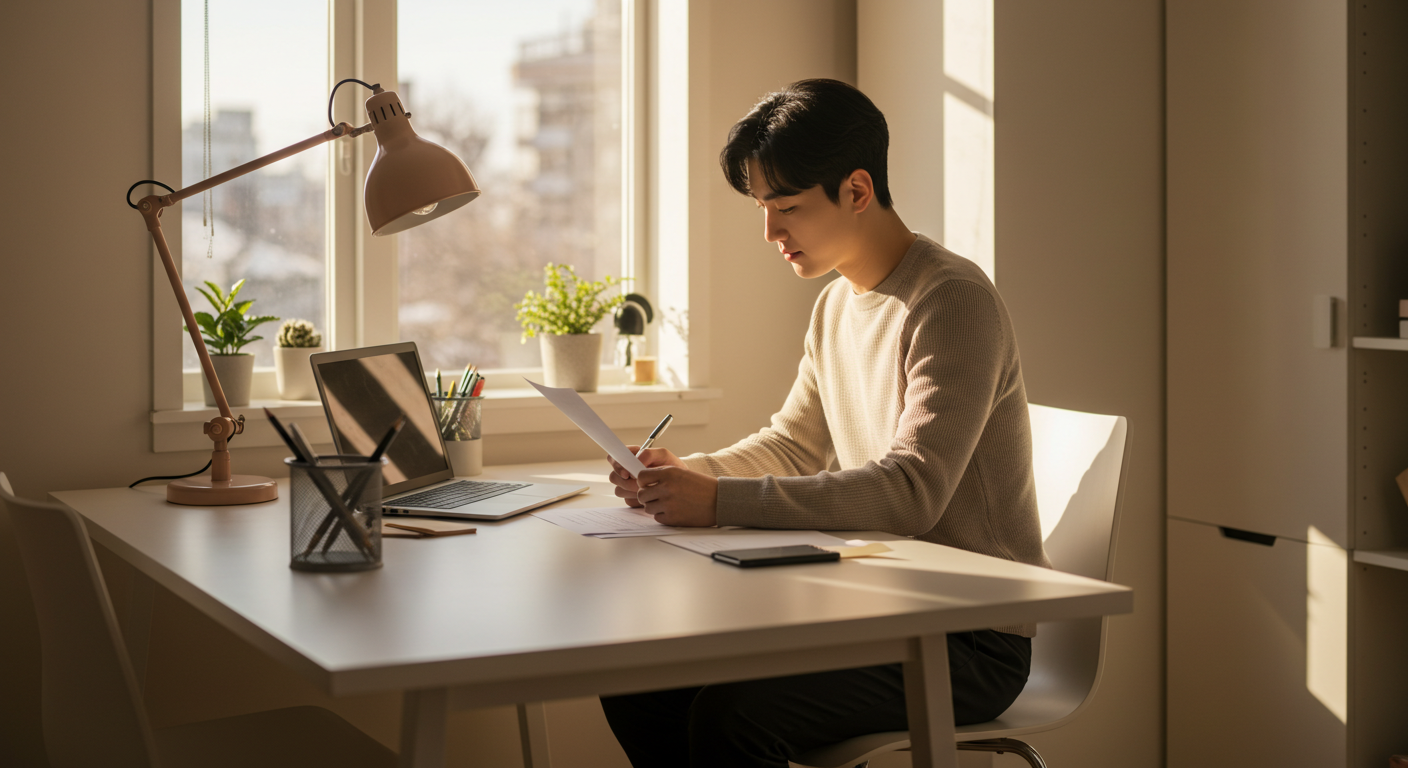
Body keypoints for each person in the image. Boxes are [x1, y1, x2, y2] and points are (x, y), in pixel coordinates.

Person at [600, 78, 1051, 768]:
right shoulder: (839, 303)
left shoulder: (952, 302)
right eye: (761, 208)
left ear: (858, 191)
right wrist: (685, 477)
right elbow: (793, 442)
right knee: (638, 685)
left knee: (732, 717)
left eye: (787, 207)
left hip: (970, 634)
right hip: (880, 606)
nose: (770, 232)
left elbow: (912, 491)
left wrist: (717, 501)